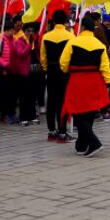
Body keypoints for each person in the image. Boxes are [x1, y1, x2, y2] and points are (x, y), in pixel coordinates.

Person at [59, 15, 110, 157]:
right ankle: (81, 145)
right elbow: (105, 67)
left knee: (77, 113)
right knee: (89, 112)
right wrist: (108, 82)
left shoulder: (72, 42)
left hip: (78, 80)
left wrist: (67, 70)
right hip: (95, 81)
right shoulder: (100, 45)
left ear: (82, 27)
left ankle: (94, 143)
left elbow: (63, 63)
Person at [40, 11, 74, 142]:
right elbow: (72, 55)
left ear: (53, 21)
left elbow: (43, 57)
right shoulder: (70, 36)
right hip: (64, 71)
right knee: (62, 101)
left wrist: (45, 69)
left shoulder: (46, 36)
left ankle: (51, 131)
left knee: (51, 100)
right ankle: (62, 132)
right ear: (65, 21)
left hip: (51, 70)